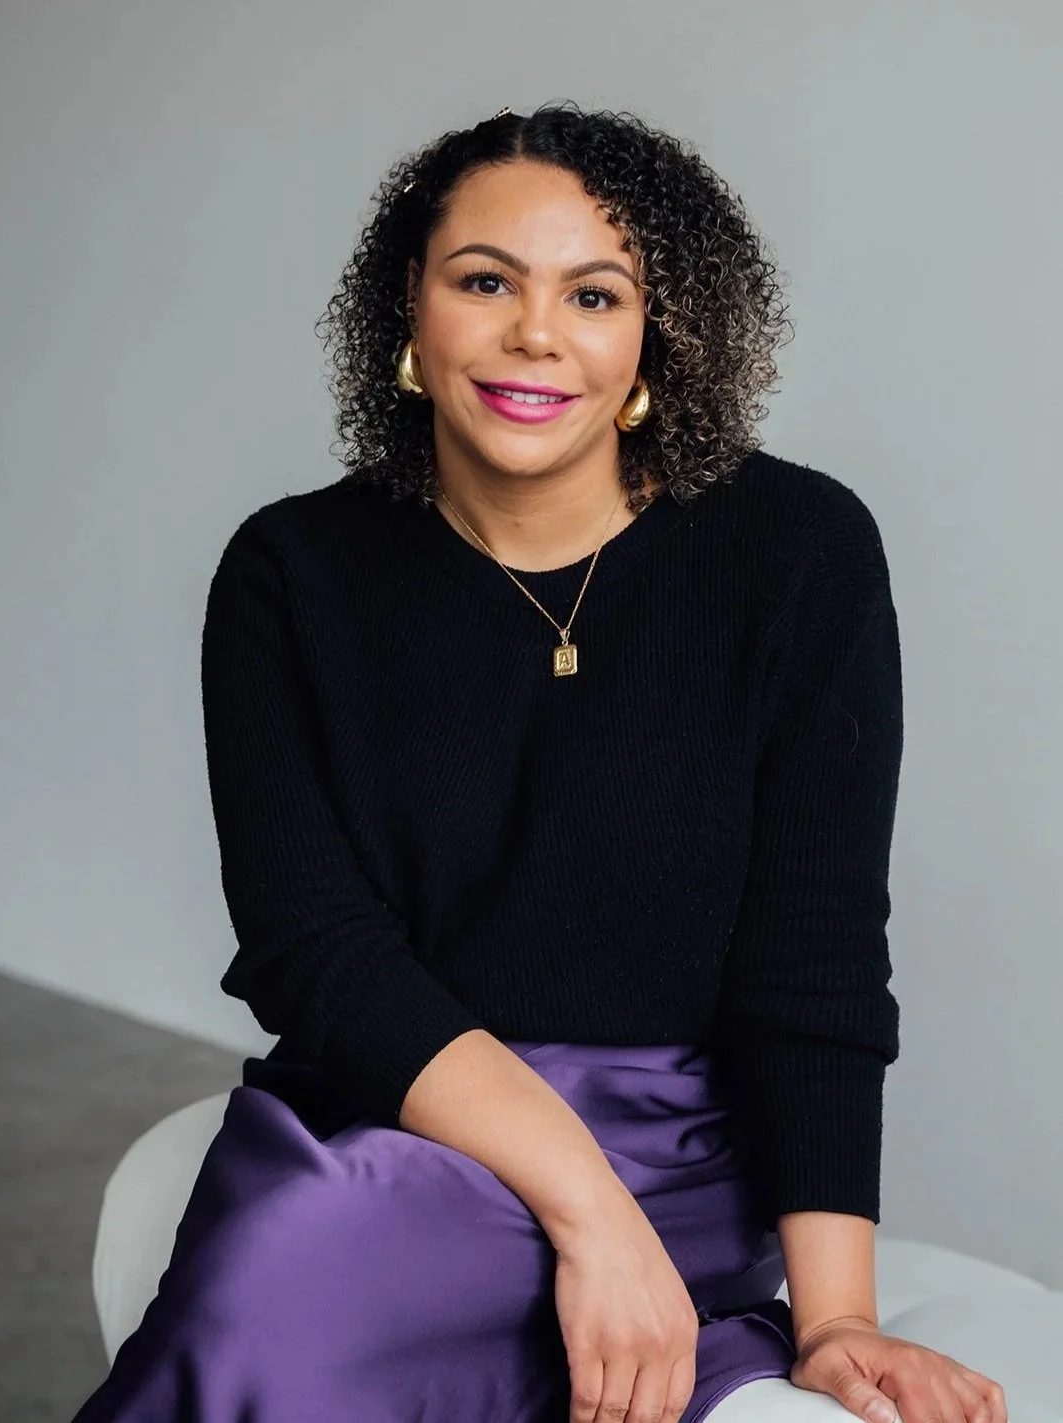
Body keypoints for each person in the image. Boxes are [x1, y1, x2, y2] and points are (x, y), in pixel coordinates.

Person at [70, 102, 1009, 1423]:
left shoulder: (798, 553)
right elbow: (313, 944)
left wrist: (838, 1313)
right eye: (487, 280)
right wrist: (586, 1212)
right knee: (276, 1287)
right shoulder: (294, 572)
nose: (535, 333)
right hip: (398, 1119)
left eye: (595, 292)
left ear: (654, 332)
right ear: (413, 303)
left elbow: (819, 953)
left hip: (690, 1145)